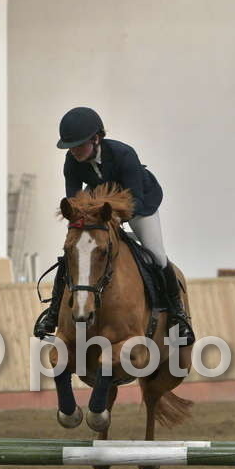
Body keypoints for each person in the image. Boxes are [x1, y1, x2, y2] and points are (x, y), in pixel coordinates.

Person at [34, 107, 194, 343]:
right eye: (70, 146)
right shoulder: (72, 162)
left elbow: (135, 199)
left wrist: (115, 219)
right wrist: (79, 221)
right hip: (100, 209)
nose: (74, 150)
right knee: (72, 255)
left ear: (96, 138)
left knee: (157, 255)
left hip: (139, 205)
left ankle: (177, 315)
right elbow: (74, 201)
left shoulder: (123, 154)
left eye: (78, 145)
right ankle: (53, 313)